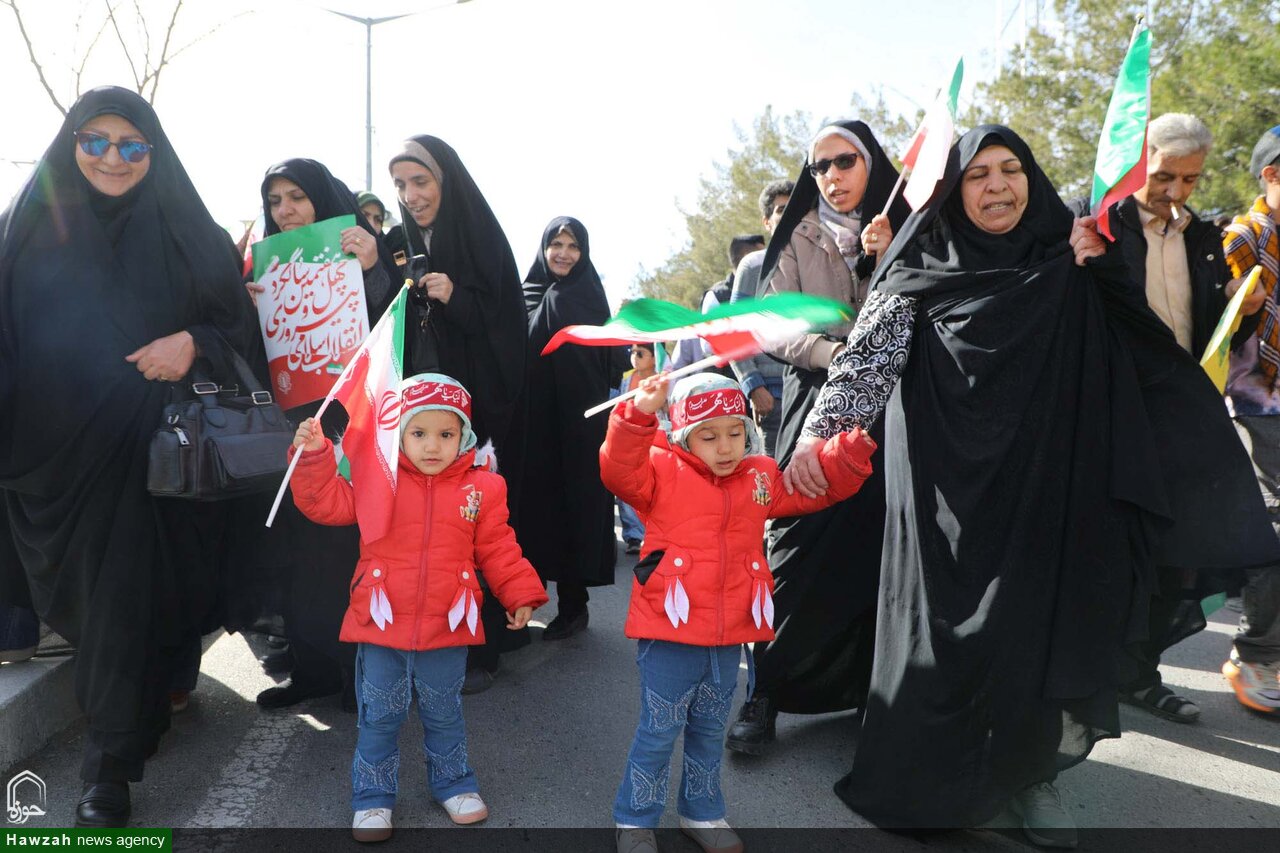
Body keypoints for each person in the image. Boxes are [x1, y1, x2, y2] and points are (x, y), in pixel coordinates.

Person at [787, 125, 1278, 846]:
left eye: (1011, 169)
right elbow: (867, 363)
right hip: (945, 496)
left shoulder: (1066, 258)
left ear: (1032, 179)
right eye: (977, 175)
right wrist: (817, 437)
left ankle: (1030, 775)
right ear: (954, 193)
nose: (997, 186)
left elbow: (1140, 345)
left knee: (1035, 633)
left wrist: (1100, 269)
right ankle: (940, 771)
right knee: (946, 638)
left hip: (1049, 486)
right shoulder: (917, 269)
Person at [0, 86, 259, 827]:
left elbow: (238, 330)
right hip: (52, 461)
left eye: (131, 145)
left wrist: (193, 344)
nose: (113, 157)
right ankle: (137, 716)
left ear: (154, 152)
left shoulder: (188, 231)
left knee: (122, 598)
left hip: (154, 456)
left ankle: (107, 772)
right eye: (95, 141)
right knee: (103, 609)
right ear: (70, 145)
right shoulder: (24, 229)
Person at [601, 372, 876, 853]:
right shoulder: (660, 470)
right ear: (683, 435)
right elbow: (618, 470)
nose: (726, 446)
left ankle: (702, 813)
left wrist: (849, 452)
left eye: (735, 432)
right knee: (659, 732)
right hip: (670, 633)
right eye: (708, 436)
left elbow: (812, 489)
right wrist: (638, 413)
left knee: (709, 731)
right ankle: (635, 820)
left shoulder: (760, 475)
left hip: (730, 636)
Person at [289, 373, 548, 842]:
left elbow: (498, 547)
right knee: (380, 715)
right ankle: (372, 797)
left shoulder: (483, 488)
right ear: (399, 434)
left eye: (446, 434)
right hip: (382, 619)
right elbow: (324, 503)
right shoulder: (377, 478)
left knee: (445, 711)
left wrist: (520, 593)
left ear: (464, 435)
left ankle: (454, 784)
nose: (433, 445)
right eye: (419, 432)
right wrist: (313, 456)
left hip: (448, 623)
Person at [1069, 114, 1264, 724]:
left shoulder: (1203, 237)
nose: (1175, 191)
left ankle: (1139, 674)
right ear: (1139, 161)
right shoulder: (1094, 222)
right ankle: (1080, 680)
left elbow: (1210, 333)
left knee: (1177, 553)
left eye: (1190, 179)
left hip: (1179, 414)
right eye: (1164, 175)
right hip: (1107, 415)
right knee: (1106, 552)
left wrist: (1244, 311)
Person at [727, 120, 908, 755]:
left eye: (845, 161)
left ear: (872, 164)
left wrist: (889, 253)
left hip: (896, 409)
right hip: (814, 399)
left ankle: (874, 695)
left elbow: (923, 303)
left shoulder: (908, 224)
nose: (831, 176)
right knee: (793, 546)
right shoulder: (796, 233)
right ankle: (765, 693)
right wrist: (837, 355)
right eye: (820, 166)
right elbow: (773, 326)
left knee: (882, 548)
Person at [238, 158, 400, 712]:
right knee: (294, 557)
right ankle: (311, 671)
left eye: (297, 197)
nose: (285, 211)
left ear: (322, 200)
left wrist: (373, 268)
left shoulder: (363, 250)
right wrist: (253, 308)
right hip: (293, 432)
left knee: (342, 557)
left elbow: (395, 327)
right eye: (275, 200)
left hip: (350, 428)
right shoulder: (265, 266)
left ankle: (358, 675)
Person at [389, 136, 530, 692]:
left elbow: (507, 328)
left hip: (476, 420)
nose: (411, 195)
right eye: (401, 185)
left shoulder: (482, 240)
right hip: (421, 422)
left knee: (477, 531)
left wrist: (458, 298)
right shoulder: (404, 245)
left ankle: (480, 650)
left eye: (421, 181)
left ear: (446, 182)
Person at [516, 217, 625, 641]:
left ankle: (573, 607)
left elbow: (612, 360)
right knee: (530, 510)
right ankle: (521, 605)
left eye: (573, 246)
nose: (563, 253)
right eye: (556, 245)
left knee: (572, 510)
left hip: (579, 427)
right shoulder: (525, 293)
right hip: (533, 423)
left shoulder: (588, 296)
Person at [1213, 125, 1280, 715]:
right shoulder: (1242, 236)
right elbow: (1216, 315)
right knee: (1275, 521)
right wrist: (1238, 299)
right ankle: (1255, 651)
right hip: (1257, 399)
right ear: (1271, 175)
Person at [729, 180, 794, 457]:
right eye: (781, 210)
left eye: (795, 207)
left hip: (816, 393)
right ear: (767, 222)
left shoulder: (821, 258)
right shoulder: (753, 266)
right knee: (775, 477)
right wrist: (754, 387)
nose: (789, 215)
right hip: (773, 400)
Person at [668, 236, 764, 375]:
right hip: (735, 380)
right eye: (760, 255)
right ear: (745, 258)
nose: (766, 260)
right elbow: (709, 346)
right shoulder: (717, 296)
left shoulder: (767, 289)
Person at [615, 343, 658, 554]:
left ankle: (652, 535)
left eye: (640, 353)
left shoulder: (661, 381)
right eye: (632, 352)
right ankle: (633, 535)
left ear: (654, 357)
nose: (635, 357)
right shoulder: (626, 378)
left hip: (653, 440)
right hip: (629, 439)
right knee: (627, 489)